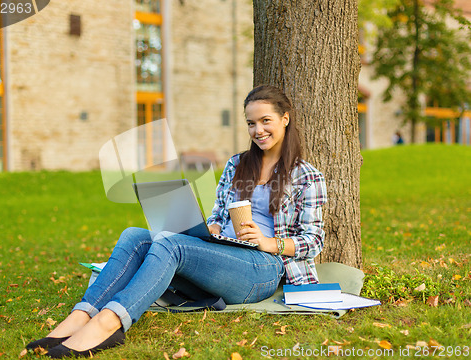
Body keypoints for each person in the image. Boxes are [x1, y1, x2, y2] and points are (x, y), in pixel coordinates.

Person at [25, 85, 327, 358]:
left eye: (265, 121)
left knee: (171, 246)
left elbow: (314, 240)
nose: (258, 130)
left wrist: (267, 242)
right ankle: (81, 315)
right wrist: (213, 229)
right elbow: (218, 214)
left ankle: (110, 322)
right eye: (251, 123)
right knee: (135, 236)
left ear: (285, 119)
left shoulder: (307, 176)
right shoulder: (237, 164)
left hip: (263, 267)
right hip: (224, 252)